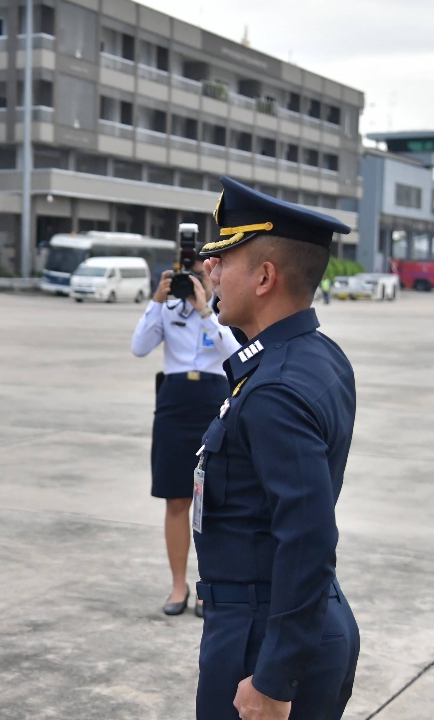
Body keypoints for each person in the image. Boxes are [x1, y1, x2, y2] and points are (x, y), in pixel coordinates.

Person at [192, 176, 359, 720]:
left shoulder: (274, 391)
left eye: (225, 259)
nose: (211, 270)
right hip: (294, 618)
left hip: (262, 637)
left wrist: (273, 679)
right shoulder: (314, 356)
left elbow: (308, 537)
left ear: (265, 276)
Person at [131, 268, 240, 617]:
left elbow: (234, 354)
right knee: (176, 499)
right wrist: (157, 301)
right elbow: (139, 347)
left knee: (212, 501)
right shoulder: (167, 310)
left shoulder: (225, 313)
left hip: (213, 399)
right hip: (174, 403)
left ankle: (208, 586)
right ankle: (178, 585)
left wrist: (207, 309)